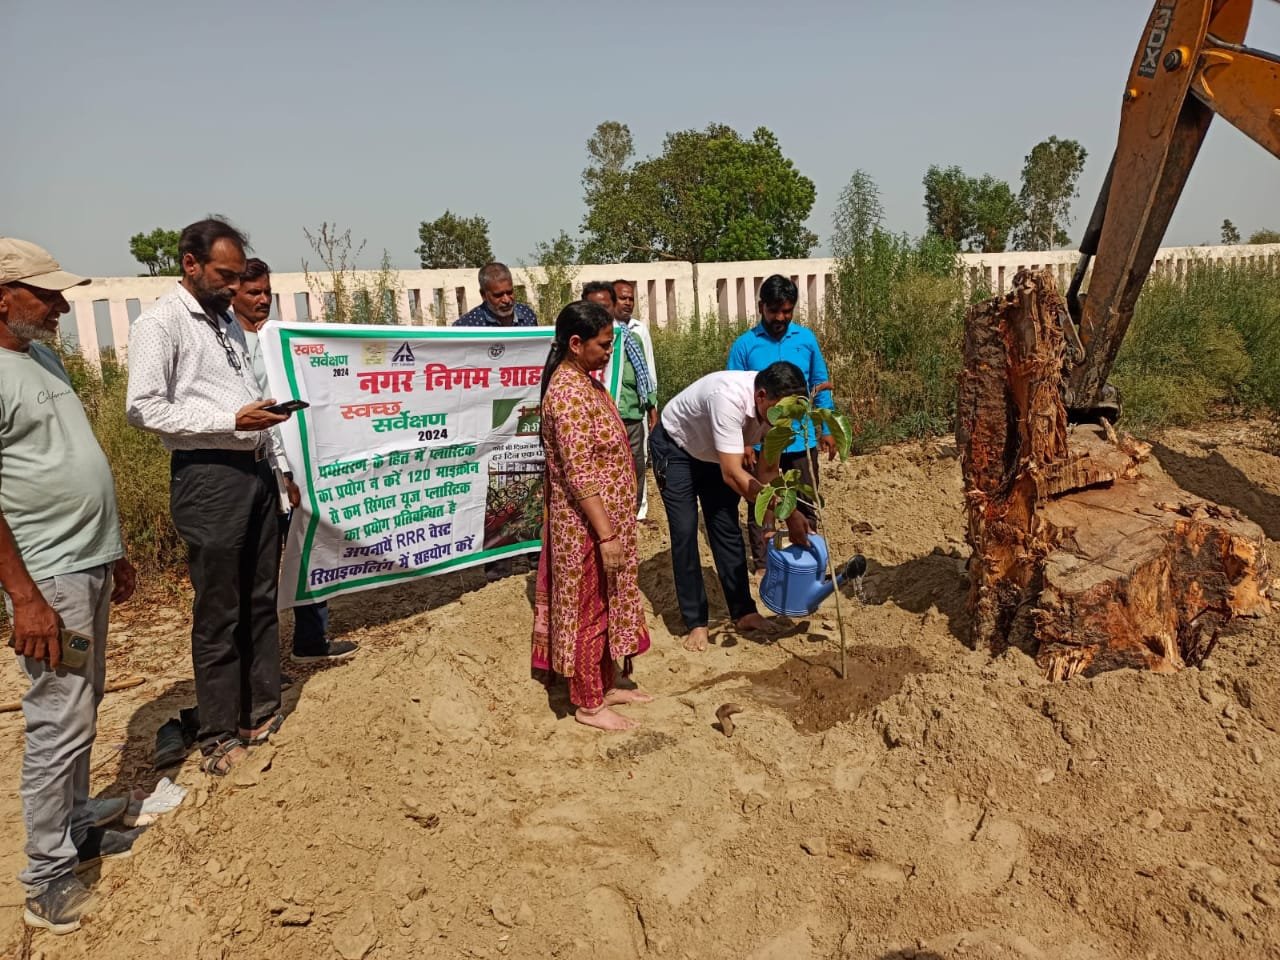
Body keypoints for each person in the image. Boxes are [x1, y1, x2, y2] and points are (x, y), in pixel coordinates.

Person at [0, 237, 142, 934]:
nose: (60, 304)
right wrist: (24, 595)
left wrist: (113, 550)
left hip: (85, 562)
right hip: (47, 577)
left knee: (82, 703)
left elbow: (70, 458)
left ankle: (79, 826)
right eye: (45, 293)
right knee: (58, 718)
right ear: (2, 298)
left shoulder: (42, 355)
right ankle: (47, 876)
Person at [126, 218, 294, 777]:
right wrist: (231, 419)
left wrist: (265, 434)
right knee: (220, 610)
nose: (232, 285)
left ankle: (259, 713)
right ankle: (219, 737)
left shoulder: (227, 322)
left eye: (237, 275)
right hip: (208, 478)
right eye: (224, 275)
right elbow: (145, 407)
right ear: (189, 264)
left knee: (260, 596)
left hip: (254, 469)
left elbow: (238, 396)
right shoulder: (162, 323)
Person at [531, 301, 652, 731]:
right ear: (576, 343)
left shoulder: (585, 382)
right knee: (588, 610)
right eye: (603, 345)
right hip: (586, 529)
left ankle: (604, 683)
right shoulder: (566, 395)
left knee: (607, 599)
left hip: (606, 522)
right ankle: (588, 703)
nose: (608, 352)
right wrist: (606, 535)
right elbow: (581, 475)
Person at [230, 258, 356, 664]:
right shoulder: (228, 344)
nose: (263, 300)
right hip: (257, 464)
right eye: (253, 293)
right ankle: (258, 661)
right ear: (233, 295)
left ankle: (311, 640)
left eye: (267, 292)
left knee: (308, 546)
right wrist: (281, 470)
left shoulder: (280, 339)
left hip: (300, 459)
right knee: (262, 566)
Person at [648, 362, 811, 652]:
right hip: (676, 447)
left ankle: (743, 612)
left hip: (716, 454)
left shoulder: (779, 415)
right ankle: (696, 621)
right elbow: (733, 474)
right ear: (761, 397)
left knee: (725, 527)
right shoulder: (726, 398)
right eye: (779, 410)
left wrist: (784, 517)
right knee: (685, 531)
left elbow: (769, 473)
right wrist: (787, 514)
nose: (784, 418)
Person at [727, 274, 837, 572]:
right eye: (774, 310)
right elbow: (735, 395)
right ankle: (763, 564)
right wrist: (745, 443)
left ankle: (807, 558)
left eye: (787, 311)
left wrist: (826, 429)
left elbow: (819, 383)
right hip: (761, 442)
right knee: (762, 503)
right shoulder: (744, 345)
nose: (780, 317)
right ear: (761, 306)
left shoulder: (806, 339)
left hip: (801, 440)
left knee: (805, 498)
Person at [582, 282, 657, 511]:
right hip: (594, 419)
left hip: (630, 415)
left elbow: (644, 373)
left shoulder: (629, 337)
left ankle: (631, 515)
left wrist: (652, 408)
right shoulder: (576, 342)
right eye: (595, 308)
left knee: (634, 467)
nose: (601, 314)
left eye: (605, 307)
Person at [612, 280, 659, 519]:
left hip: (635, 409)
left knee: (638, 462)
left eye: (631, 298)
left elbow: (648, 371)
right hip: (613, 412)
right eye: (623, 298)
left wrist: (653, 409)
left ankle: (636, 511)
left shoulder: (639, 331)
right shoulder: (606, 332)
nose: (628, 303)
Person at [453, 262, 538, 327]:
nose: (507, 300)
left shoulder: (527, 315)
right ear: (483, 295)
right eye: (498, 295)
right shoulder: (468, 326)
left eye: (509, 292)